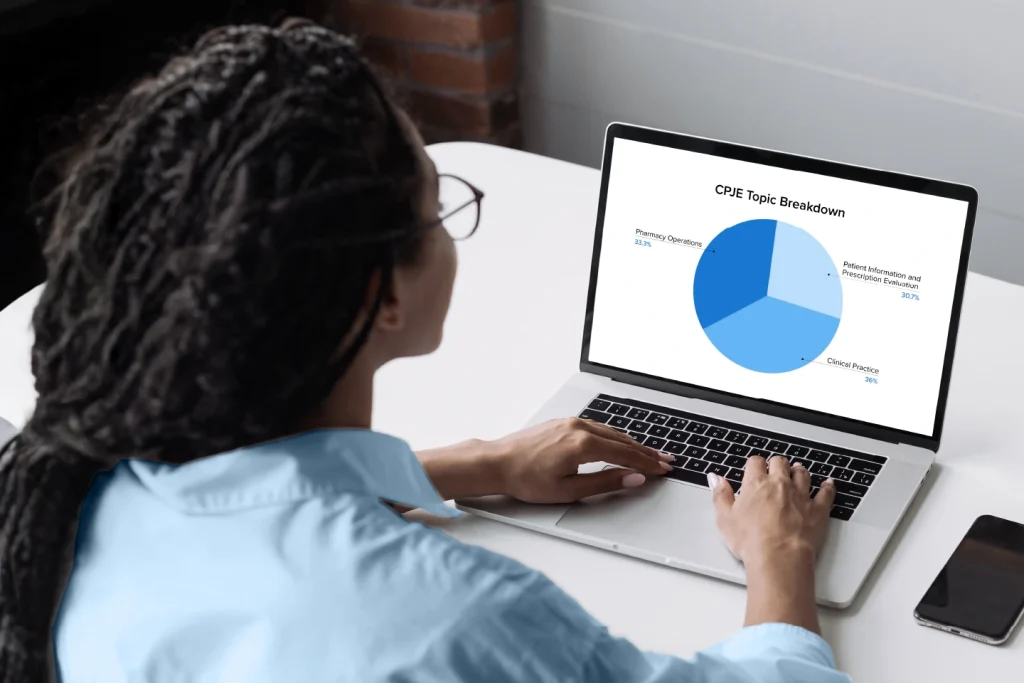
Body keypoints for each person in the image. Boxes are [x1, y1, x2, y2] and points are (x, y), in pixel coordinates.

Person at [0, 20, 850, 683]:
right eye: (440, 207)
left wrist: (474, 464)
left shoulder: (78, 484)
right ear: (383, 294)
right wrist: (780, 561)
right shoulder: (457, 620)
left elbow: (251, 505)